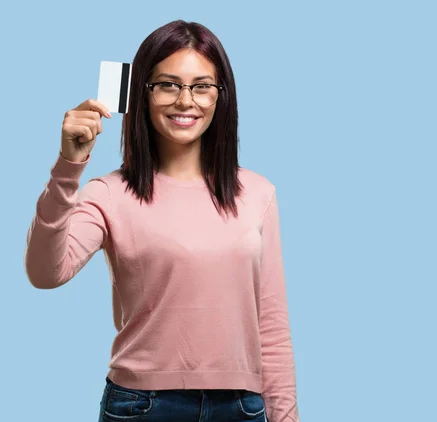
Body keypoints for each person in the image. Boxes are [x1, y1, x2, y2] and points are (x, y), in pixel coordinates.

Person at [24, 20, 299, 422]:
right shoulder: (109, 192)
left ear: (221, 97)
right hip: (142, 405)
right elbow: (45, 273)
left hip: (242, 407)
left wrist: (286, 415)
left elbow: (271, 325)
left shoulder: (258, 193)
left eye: (202, 86)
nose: (185, 100)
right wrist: (69, 167)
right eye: (168, 84)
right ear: (143, 94)